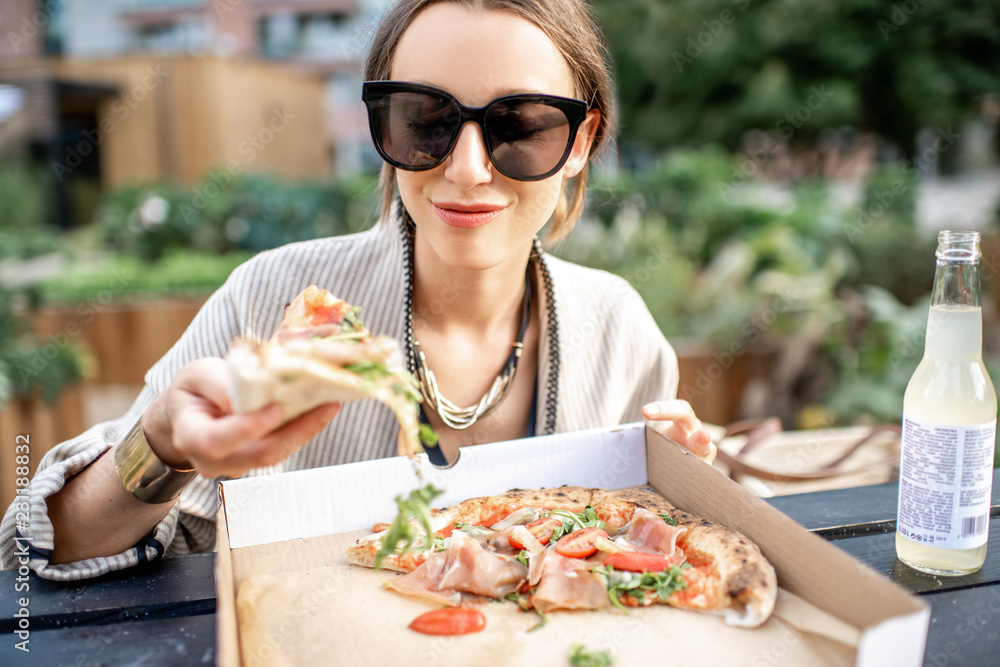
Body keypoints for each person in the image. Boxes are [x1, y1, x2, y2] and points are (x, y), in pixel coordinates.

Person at [0, 0, 713, 580]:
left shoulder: (620, 331)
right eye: (425, 121)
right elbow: (31, 559)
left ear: (582, 140)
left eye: (520, 127)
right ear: (382, 123)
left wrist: (687, 494)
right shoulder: (273, 298)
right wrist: (160, 445)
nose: (466, 169)